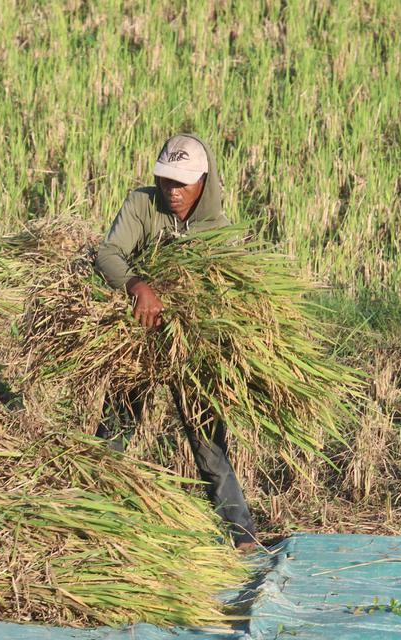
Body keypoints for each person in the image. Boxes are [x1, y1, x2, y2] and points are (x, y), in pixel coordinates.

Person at [93, 134, 257, 551]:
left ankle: (240, 534)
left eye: (182, 183)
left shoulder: (218, 233)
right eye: (166, 181)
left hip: (190, 351)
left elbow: (226, 301)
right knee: (114, 432)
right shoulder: (142, 205)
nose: (173, 191)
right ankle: (90, 514)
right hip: (141, 342)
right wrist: (135, 284)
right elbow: (109, 253)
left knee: (210, 446)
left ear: (204, 182)